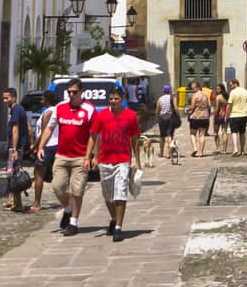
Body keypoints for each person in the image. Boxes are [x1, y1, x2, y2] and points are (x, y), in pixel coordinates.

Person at [38, 79, 95, 236]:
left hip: (80, 157)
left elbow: (94, 135)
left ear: (81, 92)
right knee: (57, 186)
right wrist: (41, 146)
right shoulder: (60, 108)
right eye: (69, 92)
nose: (71, 95)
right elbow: (50, 128)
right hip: (62, 155)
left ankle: (73, 222)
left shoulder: (89, 109)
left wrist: (89, 156)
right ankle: (68, 209)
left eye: (74, 92)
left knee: (77, 191)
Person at [87, 87, 143, 242]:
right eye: (111, 99)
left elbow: (134, 139)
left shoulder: (130, 116)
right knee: (108, 196)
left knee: (120, 194)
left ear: (122, 99)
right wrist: (91, 156)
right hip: (105, 160)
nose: (113, 101)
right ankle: (113, 217)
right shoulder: (102, 115)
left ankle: (118, 227)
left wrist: (137, 161)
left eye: (116, 99)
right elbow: (94, 136)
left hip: (123, 160)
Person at [30, 89, 60, 212]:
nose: (41, 101)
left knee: (38, 174)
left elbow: (43, 132)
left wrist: (35, 146)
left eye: (42, 99)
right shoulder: (58, 111)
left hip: (47, 146)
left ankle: (37, 202)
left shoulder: (47, 113)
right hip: (56, 144)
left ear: (47, 101)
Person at [1, 88, 30, 212]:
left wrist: (13, 149)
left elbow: (15, 129)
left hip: (15, 148)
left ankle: (18, 205)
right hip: (19, 146)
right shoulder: (19, 109)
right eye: (3, 98)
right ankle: (12, 201)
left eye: (7, 98)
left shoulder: (16, 110)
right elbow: (29, 128)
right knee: (12, 174)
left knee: (15, 176)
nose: (4, 100)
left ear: (13, 97)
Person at [226, 78, 247, 156]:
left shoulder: (233, 92)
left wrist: (227, 115)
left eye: (231, 85)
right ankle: (243, 150)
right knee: (242, 133)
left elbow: (229, 104)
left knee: (234, 132)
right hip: (244, 115)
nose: (230, 87)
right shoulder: (245, 91)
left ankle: (235, 148)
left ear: (235, 84)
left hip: (234, 115)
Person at [187, 82, 212, 157]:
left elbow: (192, 107)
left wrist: (187, 110)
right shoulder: (205, 95)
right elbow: (209, 105)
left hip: (195, 117)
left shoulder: (195, 95)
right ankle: (201, 152)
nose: (192, 90)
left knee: (192, 134)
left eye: (193, 88)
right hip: (204, 117)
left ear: (197, 87)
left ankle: (195, 148)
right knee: (202, 135)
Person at [155, 85, 180, 160]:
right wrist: (178, 115)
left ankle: (161, 152)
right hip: (170, 117)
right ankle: (168, 153)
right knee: (170, 135)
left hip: (162, 118)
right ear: (170, 91)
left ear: (163, 91)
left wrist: (156, 118)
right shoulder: (172, 98)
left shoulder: (160, 99)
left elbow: (157, 109)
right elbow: (175, 108)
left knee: (162, 136)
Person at [211, 83, 230, 149]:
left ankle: (217, 148)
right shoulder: (227, 97)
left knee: (215, 132)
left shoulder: (218, 97)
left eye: (218, 89)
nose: (216, 90)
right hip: (225, 116)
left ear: (222, 89)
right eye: (216, 88)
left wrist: (214, 116)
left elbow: (217, 109)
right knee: (224, 132)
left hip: (218, 116)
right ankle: (225, 150)